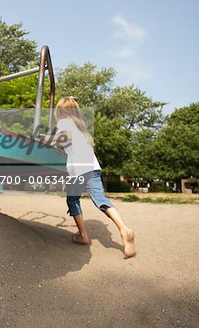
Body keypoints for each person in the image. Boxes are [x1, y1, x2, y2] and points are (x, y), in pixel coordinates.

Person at [40, 96, 135, 259]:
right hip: (92, 167)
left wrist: (45, 138)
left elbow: (65, 138)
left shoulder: (64, 123)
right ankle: (123, 228)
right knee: (100, 199)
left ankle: (83, 235)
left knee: (73, 200)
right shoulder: (81, 127)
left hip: (78, 170)